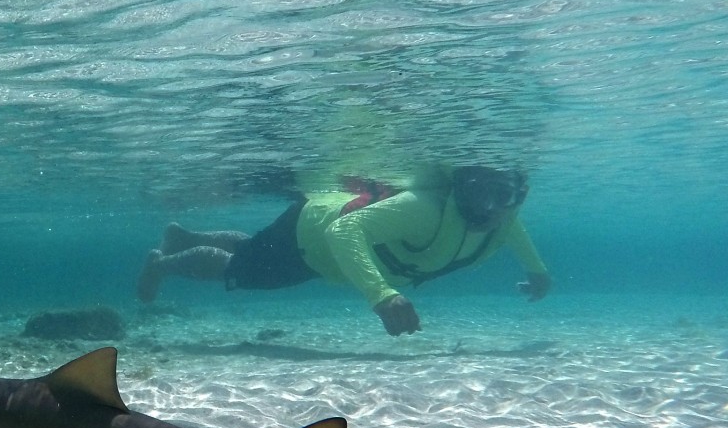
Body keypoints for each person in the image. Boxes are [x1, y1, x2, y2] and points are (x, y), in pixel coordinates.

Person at [136, 166, 551, 336]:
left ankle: (183, 235)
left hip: (322, 231)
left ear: (518, 197)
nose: (490, 210)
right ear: (461, 186)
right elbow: (344, 231)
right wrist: (383, 294)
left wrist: (537, 269)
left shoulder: (505, 218)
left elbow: (513, 233)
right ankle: (164, 263)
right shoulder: (424, 210)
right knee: (241, 271)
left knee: (251, 251)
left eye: (504, 196)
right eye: (480, 194)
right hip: (316, 238)